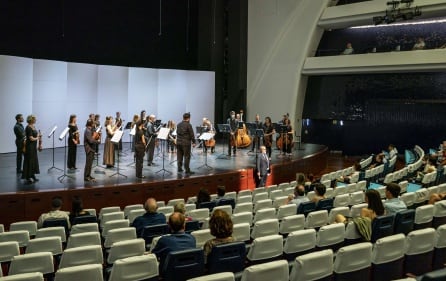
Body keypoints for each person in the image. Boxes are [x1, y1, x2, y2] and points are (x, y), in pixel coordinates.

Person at [21, 114, 42, 184]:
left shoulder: (33, 126)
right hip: (29, 147)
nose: (36, 120)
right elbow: (30, 138)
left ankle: (32, 175)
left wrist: (38, 135)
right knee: (29, 161)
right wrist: (37, 138)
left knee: (33, 161)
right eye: (35, 119)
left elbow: (35, 135)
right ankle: (28, 177)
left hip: (33, 147)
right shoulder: (28, 127)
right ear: (31, 120)